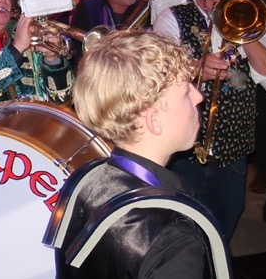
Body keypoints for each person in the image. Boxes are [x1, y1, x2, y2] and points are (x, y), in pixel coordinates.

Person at [50, 30, 226, 279]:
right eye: (186, 92)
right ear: (154, 120)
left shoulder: (86, 180)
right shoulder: (174, 238)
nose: (199, 96)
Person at [152, 0, 266, 240]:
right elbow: (157, 73)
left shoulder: (254, 20)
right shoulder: (171, 16)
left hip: (231, 158)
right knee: (175, 236)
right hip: (181, 157)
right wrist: (194, 68)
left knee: (220, 235)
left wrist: (241, 28)